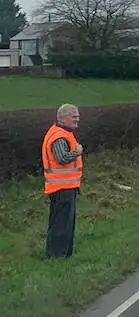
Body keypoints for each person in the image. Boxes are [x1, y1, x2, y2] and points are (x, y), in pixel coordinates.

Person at [42, 103, 84, 259]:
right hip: (61, 187)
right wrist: (77, 152)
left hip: (66, 186)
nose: (77, 119)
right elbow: (61, 158)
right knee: (61, 224)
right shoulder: (59, 136)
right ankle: (56, 256)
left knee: (66, 223)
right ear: (63, 118)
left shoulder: (64, 133)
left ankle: (64, 254)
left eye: (78, 116)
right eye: (74, 116)